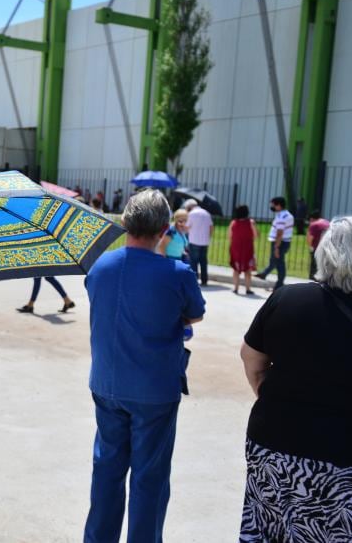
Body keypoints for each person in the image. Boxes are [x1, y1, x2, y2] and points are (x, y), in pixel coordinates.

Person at [239, 216, 352, 541]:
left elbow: (252, 360)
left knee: (273, 532)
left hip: (275, 446)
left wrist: (272, 394)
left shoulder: (286, 299)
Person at [83, 189, 206, 543]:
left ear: (125, 223)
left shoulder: (101, 266)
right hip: (154, 389)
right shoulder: (177, 272)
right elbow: (195, 313)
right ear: (165, 228)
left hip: (106, 383)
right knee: (149, 478)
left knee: (106, 471)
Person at [256, 196, 294, 289]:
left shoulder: (282, 216)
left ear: (279, 205)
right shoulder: (286, 214)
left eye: (273, 205)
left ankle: (279, 284)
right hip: (283, 242)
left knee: (279, 263)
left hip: (280, 242)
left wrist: (276, 247)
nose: (272, 206)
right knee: (274, 260)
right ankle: (264, 273)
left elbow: (280, 233)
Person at [228, 205, 258, 295]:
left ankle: (236, 288)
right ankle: (248, 289)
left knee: (235, 268)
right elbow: (256, 235)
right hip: (247, 247)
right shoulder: (251, 222)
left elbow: (229, 235)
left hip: (235, 247)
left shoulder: (233, 222)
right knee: (248, 269)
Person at [183, 199, 213, 286]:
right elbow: (211, 227)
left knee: (194, 261)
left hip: (194, 241)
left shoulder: (191, 214)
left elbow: (187, 227)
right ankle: (204, 280)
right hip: (205, 241)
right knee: (203, 261)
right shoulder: (206, 213)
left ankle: (194, 280)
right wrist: (208, 237)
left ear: (190, 207)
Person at [306, 210, 330, 280]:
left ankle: (313, 280)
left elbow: (310, 238)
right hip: (327, 247)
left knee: (314, 266)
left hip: (317, 248)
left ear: (311, 218)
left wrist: (310, 247)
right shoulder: (327, 222)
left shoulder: (314, 224)